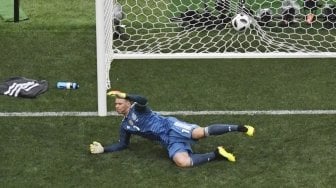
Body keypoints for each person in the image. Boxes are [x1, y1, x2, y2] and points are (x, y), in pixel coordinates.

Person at [89, 91, 255, 168]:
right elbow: (122, 144)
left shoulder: (137, 109)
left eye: (119, 103)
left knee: (199, 133)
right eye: (116, 104)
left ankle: (240, 128)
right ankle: (217, 154)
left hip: (171, 126)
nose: (116, 106)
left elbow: (144, 100)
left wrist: (126, 95)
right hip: (168, 140)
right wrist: (104, 149)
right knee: (182, 162)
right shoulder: (125, 126)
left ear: (127, 103)